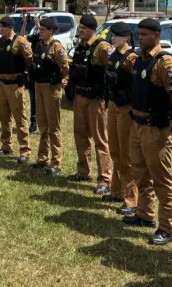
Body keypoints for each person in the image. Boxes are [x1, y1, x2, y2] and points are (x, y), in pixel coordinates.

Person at [123, 17, 172, 246]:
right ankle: (145, 214)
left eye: (144, 34)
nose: (140, 38)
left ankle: (166, 227)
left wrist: (171, 121)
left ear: (156, 36)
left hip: (156, 128)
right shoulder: (139, 60)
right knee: (140, 173)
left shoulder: (165, 63)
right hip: (137, 125)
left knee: (161, 179)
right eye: (139, 34)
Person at [67, 14, 113, 195]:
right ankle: (83, 172)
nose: (81, 30)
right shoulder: (80, 46)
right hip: (80, 97)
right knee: (80, 136)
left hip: (96, 99)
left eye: (84, 28)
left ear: (93, 30)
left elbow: (112, 71)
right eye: (80, 28)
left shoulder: (102, 47)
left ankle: (105, 179)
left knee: (100, 139)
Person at [103, 21, 138, 215]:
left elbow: (137, 84)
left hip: (125, 109)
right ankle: (116, 191)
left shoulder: (131, 58)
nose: (113, 38)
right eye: (112, 35)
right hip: (113, 106)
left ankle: (131, 199)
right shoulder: (113, 55)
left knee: (126, 155)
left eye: (116, 35)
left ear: (126, 37)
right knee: (115, 151)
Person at [29, 17, 69, 175]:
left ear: (51, 31)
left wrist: (61, 79)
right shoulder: (39, 45)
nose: (40, 32)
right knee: (43, 124)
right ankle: (42, 158)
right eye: (39, 29)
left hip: (51, 88)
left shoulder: (56, 47)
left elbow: (65, 67)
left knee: (53, 126)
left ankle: (56, 161)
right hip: (38, 86)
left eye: (43, 30)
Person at [0, 16, 33, 163]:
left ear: (10, 28)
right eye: (0, 26)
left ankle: (24, 150)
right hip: (3, 84)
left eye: (3, 27)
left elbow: (29, 60)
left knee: (20, 118)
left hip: (15, 85)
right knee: (4, 116)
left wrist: (25, 76)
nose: (1, 29)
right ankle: (6, 146)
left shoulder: (20, 41)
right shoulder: (1, 41)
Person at [20, 14, 38, 133]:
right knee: (33, 100)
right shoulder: (34, 38)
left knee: (43, 101)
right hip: (33, 74)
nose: (41, 31)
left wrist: (37, 23)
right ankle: (33, 122)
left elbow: (44, 34)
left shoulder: (44, 39)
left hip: (43, 76)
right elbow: (21, 37)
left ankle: (44, 123)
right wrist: (25, 23)